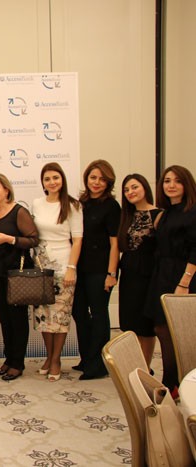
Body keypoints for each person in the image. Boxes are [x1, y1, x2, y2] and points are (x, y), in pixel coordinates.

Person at [145, 165, 196, 394]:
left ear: (187, 184)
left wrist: (184, 283)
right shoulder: (165, 213)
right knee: (162, 329)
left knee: (180, 333)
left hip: (183, 276)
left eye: (177, 181)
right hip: (162, 275)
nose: (171, 185)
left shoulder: (192, 211)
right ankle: (171, 381)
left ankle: (178, 384)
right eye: (167, 181)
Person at [0, 173, 39, 381]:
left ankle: (18, 363)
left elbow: (33, 240)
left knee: (17, 320)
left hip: (16, 274)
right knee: (4, 319)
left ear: (6, 189)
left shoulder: (19, 211)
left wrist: (11, 239)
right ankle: (9, 358)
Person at [32, 162, 83, 381]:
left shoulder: (73, 205)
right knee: (44, 316)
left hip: (64, 266)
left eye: (55, 177)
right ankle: (48, 356)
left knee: (60, 316)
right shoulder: (37, 203)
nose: (52, 182)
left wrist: (71, 268)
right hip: (41, 267)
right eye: (47, 179)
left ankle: (56, 359)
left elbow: (78, 239)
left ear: (62, 179)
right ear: (42, 183)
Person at [72, 160, 121, 380]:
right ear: (86, 178)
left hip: (101, 270)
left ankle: (99, 364)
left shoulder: (111, 206)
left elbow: (115, 244)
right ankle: (86, 359)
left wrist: (111, 274)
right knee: (79, 313)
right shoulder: (81, 203)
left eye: (102, 179)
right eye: (93, 177)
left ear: (108, 183)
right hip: (80, 268)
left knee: (99, 314)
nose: (97, 182)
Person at [117, 173, 161, 369]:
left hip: (149, 274)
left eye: (134, 187)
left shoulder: (159, 214)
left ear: (145, 187)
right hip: (129, 273)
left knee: (146, 325)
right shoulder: (126, 215)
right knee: (131, 323)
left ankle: (145, 369)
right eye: (126, 190)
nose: (130, 192)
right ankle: (135, 367)